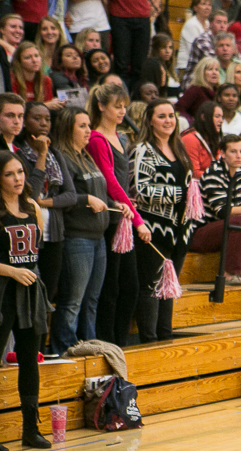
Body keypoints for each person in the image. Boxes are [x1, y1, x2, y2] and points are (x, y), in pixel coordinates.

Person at [0, 150, 52, 451]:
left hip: (30, 290)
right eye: (10, 174)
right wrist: (12, 271)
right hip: (1, 290)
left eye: (20, 172)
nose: (18, 179)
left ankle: (30, 429)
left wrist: (25, 274)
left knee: (29, 360)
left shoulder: (32, 205)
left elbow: (35, 254)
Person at [50, 107, 132, 354]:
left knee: (92, 300)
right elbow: (59, 197)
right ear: (68, 129)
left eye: (89, 125)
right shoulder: (62, 157)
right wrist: (86, 198)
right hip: (76, 238)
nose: (89, 130)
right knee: (72, 301)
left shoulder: (85, 155)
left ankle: (89, 346)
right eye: (82, 126)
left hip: (97, 238)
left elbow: (101, 190)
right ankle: (65, 348)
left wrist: (113, 202)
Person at [87, 82, 149, 347]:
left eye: (124, 106)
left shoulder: (121, 138)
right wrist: (138, 219)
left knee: (130, 286)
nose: (123, 111)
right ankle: (109, 342)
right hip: (112, 220)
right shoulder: (97, 138)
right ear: (102, 107)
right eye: (117, 106)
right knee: (110, 287)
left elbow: (123, 183)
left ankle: (121, 343)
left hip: (123, 218)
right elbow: (110, 182)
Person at [131, 99, 193, 343]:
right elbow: (141, 189)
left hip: (181, 229)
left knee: (169, 288)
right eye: (162, 116)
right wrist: (179, 194)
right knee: (152, 286)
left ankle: (165, 337)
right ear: (150, 121)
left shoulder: (179, 148)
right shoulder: (143, 150)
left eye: (171, 116)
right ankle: (150, 340)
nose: (169, 120)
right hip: (154, 229)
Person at [17, 100, 73, 303]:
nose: (43, 123)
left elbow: (71, 196)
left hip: (54, 234)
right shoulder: (18, 154)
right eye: (37, 118)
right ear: (24, 122)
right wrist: (41, 154)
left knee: (48, 295)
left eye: (47, 119)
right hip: (31, 235)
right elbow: (31, 194)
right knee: (32, 298)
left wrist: (44, 202)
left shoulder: (56, 154)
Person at [195, 135, 241, 285]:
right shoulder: (213, 173)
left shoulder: (239, 174)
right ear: (222, 154)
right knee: (240, 220)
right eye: (233, 151)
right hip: (201, 233)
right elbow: (222, 211)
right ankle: (229, 272)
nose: (239, 156)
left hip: (223, 229)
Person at [108, 0, 151, 90]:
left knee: (140, 65)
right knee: (121, 64)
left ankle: (136, 99)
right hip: (120, 15)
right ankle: (121, 97)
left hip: (143, 15)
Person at [181, 100, 223, 179]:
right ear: (203, 117)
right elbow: (193, 173)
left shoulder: (213, 139)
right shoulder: (190, 139)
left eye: (222, 117)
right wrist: (219, 177)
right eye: (217, 116)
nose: (221, 120)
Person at [10, 42, 59, 108]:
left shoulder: (46, 80)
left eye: (36, 56)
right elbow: (15, 107)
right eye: (28, 57)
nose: (34, 60)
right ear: (19, 62)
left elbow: (49, 105)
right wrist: (45, 105)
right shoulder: (12, 78)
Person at [184, 10, 228, 82]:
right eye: (219, 22)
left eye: (225, 23)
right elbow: (214, 62)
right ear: (210, 24)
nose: (222, 26)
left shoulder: (227, 40)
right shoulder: (202, 40)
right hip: (194, 82)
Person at [175, 56, 219, 123]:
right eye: (210, 69)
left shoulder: (219, 91)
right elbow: (179, 108)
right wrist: (191, 121)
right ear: (201, 72)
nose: (214, 73)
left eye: (216, 69)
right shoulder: (195, 90)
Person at [177, 0, 211, 79]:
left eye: (209, 5)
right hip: (188, 66)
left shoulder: (208, 23)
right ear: (195, 8)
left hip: (202, 66)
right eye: (203, 4)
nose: (207, 7)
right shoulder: (191, 24)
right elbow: (196, 49)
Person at [140, 33, 179, 99]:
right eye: (163, 47)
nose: (168, 51)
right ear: (156, 49)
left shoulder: (173, 70)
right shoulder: (151, 65)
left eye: (170, 47)